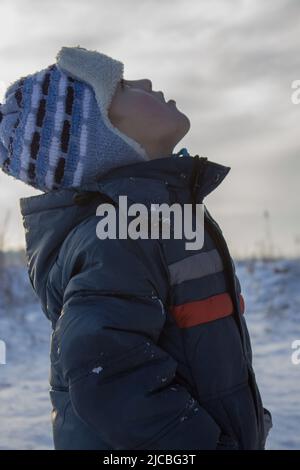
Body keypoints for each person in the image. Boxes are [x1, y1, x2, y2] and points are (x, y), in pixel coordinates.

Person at [0, 45, 272, 450]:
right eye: (123, 86)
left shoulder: (152, 219)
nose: (146, 83)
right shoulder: (118, 235)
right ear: (101, 139)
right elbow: (109, 376)